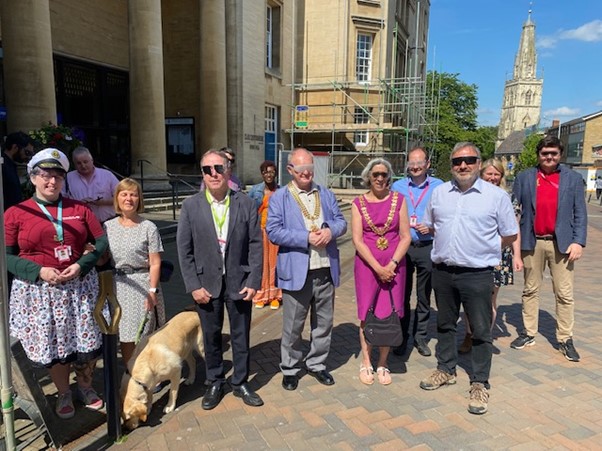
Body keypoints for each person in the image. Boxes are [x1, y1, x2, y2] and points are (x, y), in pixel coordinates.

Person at [5, 148, 108, 420]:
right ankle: (64, 391)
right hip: (40, 292)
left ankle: (85, 386)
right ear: (33, 178)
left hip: (78, 287)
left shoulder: (80, 209)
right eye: (45, 176)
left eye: (58, 177)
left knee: (85, 341)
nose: (52, 182)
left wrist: (82, 264)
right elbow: (6, 256)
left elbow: (101, 242)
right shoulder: (16, 213)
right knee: (56, 344)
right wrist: (38, 271)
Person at [419, 142, 518, 415]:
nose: (463, 166)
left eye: (469, 160)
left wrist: (486, 249)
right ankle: (446, 370)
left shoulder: (496, 197)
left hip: (477, 274)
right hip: (443, 271)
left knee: (481, 331)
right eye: (457, 162)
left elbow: (510, 234)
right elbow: (431, 225)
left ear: (479, 162)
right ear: (450, 165)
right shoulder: (439, 194)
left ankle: (479, 382)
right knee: (446, 325)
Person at [177, 149, 263, 410]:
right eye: (207, 169)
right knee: (211, 336)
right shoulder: (190, 206)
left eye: (218, 168)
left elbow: (256, 244)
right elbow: (184, 248)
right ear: (202, 174)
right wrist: (193, 285)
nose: (213, 173)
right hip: (206, 283)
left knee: (240, 335)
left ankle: (240, 382)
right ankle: (214, 381)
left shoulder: (246, 203)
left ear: (228, 171)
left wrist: (253, 280)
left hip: (239, 281)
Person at [266, 148, 347, 391]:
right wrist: (305, 238)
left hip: (325, 270)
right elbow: (273, 231)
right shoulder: (280, 197)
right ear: (290, 170)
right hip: (297, 272)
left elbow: (341, 222)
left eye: (310, 170)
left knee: (324, 322)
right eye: (301, 171)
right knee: (293, 325)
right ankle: (290, 368)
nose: (306, 174)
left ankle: (317, 364)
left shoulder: (326, 194)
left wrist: (330, 231)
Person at [510, 136, 587, 362]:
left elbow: (580, 213)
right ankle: (528, 332)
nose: (549, 157)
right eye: (545, 153)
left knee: (564, 293)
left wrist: (578, 241)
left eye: (553, 153)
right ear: (538, 154)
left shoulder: (572, 179)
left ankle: (565, 338)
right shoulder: (524, 177)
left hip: (562, 244)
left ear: (560, 154)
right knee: (530, 289)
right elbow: (514, 210)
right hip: (532, 242)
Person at [352, 158, 411, 385]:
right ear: (368, 176)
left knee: (389, 313)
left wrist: (392, 265)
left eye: (384, 174)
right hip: (367, 268)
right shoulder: (358, 203)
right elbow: (357, 239)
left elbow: (405, 236)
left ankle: (383, 363)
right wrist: (378, 268)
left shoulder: (400, 200)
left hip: (395, 267)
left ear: (389, 177)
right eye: (375, 174)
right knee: (366, 313)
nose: (379, 178)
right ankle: (366, 360)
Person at [458, 159, 523, 353]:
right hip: (473, 252)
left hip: (498, 255)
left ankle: (483, 337)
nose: (493, 178)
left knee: (489, 299)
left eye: (497, 174)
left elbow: (514, 229)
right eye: (489, 173)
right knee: (471, 297)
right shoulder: (470, 195)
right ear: (481, 173)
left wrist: (517, 255)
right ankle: (470, 334)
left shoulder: (508, 198)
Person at [103, 178, 166, 365]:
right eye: (124, 194)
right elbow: (104, 259)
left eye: (133, 194)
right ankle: (131, 373)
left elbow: (155, 262)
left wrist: (152, 291)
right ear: (117, 198)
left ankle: (149, 372)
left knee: (145, 332)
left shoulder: (148, 227)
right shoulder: (108, 227)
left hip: (142, 284)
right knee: (125, 334)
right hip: (118, 285)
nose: (129, 198)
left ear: (139, 199)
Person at [391, 147, 443, 357]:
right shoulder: (398, 186)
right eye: (411, 163)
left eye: (419, 162)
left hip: (427, 246)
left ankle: (420, 338)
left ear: (427, 164)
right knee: (402, 295)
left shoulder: (439, 186)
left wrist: (432, 228)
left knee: (424, 296)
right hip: (403, 247)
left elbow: (446, 216)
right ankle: (401, 339)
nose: (414, 166)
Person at [248, 160, 282, 309]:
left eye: (272, 171)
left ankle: (275, 296)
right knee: (261, 264)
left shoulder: (281, 191)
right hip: (259, 232)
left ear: (276, 173)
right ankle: (261, 295)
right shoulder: (255, 191)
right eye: (265, 172)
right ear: (262, 174)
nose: (269, 174)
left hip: (276, 233)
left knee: (275, 264)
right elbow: (249, 212)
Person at [64, 146, 119, 223]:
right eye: (79, 163)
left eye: (85, 162)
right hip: (80, 224)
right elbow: (61, 202)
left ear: (92, 160)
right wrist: (78, 204)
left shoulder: (107, 175)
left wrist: (102, 202)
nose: (83, 165)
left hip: (107, 223)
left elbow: (121, 199)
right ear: (74, 164)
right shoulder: (68, 178)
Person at [2, 131, 34, 210]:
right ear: (15, 147)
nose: (28, 157)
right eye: (27, 152)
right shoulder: (2, 165)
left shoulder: (10, 165)